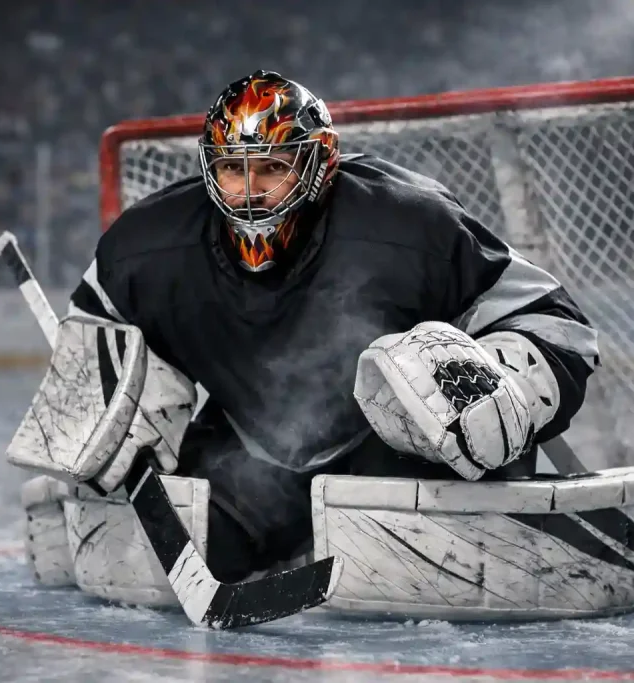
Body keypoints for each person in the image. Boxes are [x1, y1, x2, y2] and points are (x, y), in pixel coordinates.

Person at [64, 69, 599, 582]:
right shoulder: (145, 248)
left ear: (322, 162)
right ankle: (292, 535)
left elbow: (557, 323)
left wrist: (498, 386)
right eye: (232, 168)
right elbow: (90, 344)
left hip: (400, 446)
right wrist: (105, 404)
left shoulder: (410, 219)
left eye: (272, 167)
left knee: (414, 564)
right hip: (256, 453)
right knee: (172, 552)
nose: (249, 191)